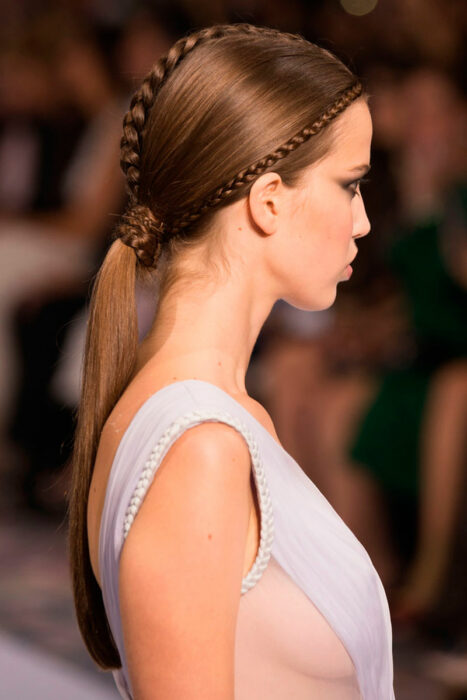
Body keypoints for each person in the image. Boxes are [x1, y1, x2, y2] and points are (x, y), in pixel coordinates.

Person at [68, 23, 394, 699]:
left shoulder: (208, 417)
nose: (361, 221)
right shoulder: (199, 448)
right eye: (348, 185)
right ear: (268, 199)